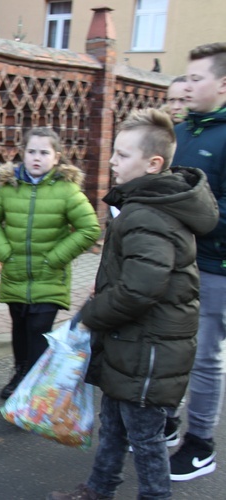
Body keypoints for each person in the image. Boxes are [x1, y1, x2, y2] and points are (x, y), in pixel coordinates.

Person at [48, 108, 219, 500]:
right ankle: (99, 489)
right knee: (114, 425)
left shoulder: (150, 214)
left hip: (149, 349)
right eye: (114, 152)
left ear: (153, 163)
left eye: (123, 155)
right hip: (133, 343)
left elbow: (142, 289)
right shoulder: (144, 206)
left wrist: (91, 316)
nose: (111, 161)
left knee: (145, 439)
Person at [0, 127, 100, 400]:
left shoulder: (67, 190)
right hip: (15, 273)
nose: (37, 157)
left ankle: (34, 385)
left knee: (38, 330)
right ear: (22, 153)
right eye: (31, 151)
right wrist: (5, 252)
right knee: (20, 328)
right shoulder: (8, 188)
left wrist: (55, 258)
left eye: (44, 152)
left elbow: (89, 228)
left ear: (56, 158)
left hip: (49, 276)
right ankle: (21, 372)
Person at [166, 42, 226, 482]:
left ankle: (200, 443)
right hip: (172, 262)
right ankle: (166, 421)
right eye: (185, 78)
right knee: (169, 347)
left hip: (214, 268)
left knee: (204, 357)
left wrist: (184, 215)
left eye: (195, 78)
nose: (186, 86)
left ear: (222, 84)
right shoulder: (182, 133)